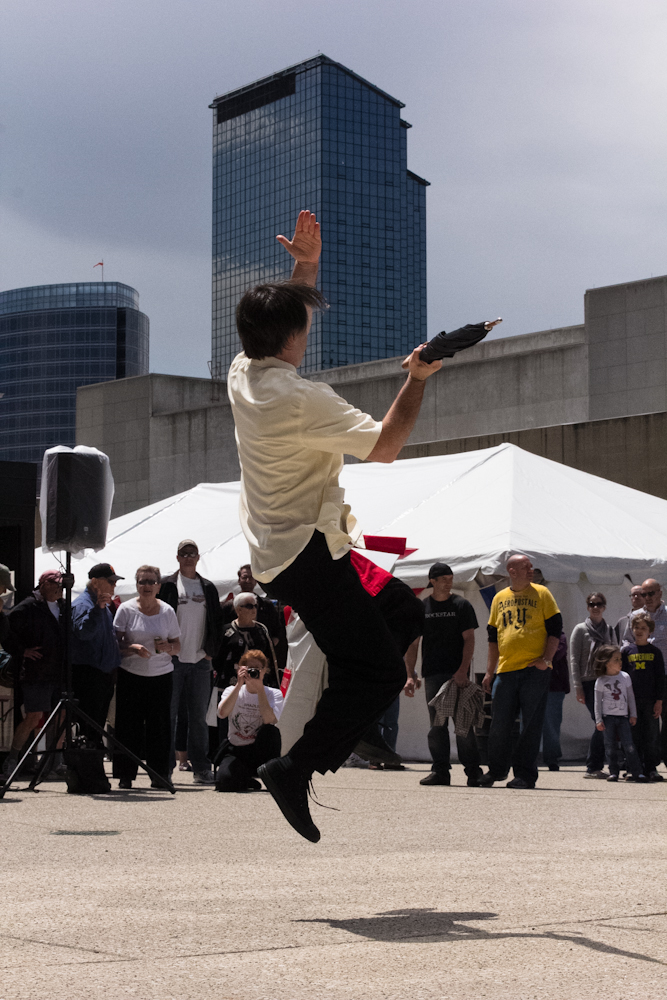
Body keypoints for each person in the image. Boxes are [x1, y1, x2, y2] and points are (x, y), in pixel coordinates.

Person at [228, 211, 500, 841]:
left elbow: (279, 323)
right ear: (294, 336)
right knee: (378, 671)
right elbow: (384, 446)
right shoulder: (302, 399)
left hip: (305, 545)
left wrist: (305, 267)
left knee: (402, 610)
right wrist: (416, 377)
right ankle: (295, 767)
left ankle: (336, 675)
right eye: (305, 321)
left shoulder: (244, 375)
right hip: (306, 557)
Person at [481, 555, 562, 789]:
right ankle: (496, 771)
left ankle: (525, 775)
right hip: (505, 670)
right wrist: (489, 672)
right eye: (525, 567)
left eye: (531, 567)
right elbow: (492, 639)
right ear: (511, 570)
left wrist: (546, 660)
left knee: (530, 725)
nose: (530, 570)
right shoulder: (499, 598)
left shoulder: (542, 593)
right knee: (499, 724)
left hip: (533, 671)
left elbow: (555, 629)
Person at [159, 539, 224, 786]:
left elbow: (217, 623)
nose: (188, 557)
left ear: (198, 558)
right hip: (172, 660)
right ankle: (164, 770)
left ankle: (202, 769)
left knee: (198, 717)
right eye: (183, 553)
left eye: (192, 553)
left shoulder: (207, 587)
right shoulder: (167, 585)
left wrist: (210, 652)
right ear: (177, 558)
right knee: (169, 715)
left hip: (200, 661)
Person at [411, 561, 481, 787]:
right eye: (443, 579)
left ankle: (473, 772)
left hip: (456, 674)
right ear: (432, 581)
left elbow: (469, 639)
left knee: (463, 724)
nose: (449, 582)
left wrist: (462, 670)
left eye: (450, 578)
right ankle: (440, 771)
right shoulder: (423, 607)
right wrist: (409, 673)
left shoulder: (461, 605)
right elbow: (413, 643)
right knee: (437, 725)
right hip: (432, 674)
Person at [112, 566, 181, 789]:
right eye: (142, 582)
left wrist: (168, 646)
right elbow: (115, 644)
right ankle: (125, 775)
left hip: (160, 676)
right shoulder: (125, 609)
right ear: (137, 585)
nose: (147, 586)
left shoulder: (167, 611)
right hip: (131, 675)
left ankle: (160, 775)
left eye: (151, 582)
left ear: (159, 586)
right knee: (128, 726)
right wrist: (132, 647)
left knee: (159, 727)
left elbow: (178, 646)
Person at [2, 571, 67, 778]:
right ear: (43, 584)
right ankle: (11, 760)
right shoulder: (28, 607)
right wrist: (22, 651)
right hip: (36, 672)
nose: (59, 589)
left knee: (60, 716)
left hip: (60, 672)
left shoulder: (64, 607)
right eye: (55, 584)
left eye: (61, 585)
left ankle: (54, 764)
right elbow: (6, 631)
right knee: (34, 717)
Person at [215, 649, 284, 791]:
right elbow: (222, 713)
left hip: (260, 749)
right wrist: (239, 685)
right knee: (224, 782)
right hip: (237, 749)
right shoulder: (231, 691)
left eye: (257, 669)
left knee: (271, 732)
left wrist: (260, 690)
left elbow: (269, 720)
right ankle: (245, 779)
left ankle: (273, 777)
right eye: (249, 668)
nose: (253, 672)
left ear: (265, 671)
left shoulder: (274, 694)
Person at [71, 563, 123, 744]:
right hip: (89, 675)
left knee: (97, 726)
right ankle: (86, 768)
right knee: (89, 727)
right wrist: (97, 609)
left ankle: (91, 766)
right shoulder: (83, 604)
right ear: (95, 582)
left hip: (103, 675)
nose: (113, 586)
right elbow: (83, 632)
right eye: (110, 581)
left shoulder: (102, 605)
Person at [569, 592, 616, 779]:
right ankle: (593, 766)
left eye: (599, 604)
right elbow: (573, 659)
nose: (595, 607)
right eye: (592, 604)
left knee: (606, 721)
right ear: (587, 607)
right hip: (589, 682)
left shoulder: (609, 630)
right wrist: (577, 686)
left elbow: (614, 656)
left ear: (604, 607)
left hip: (607, 681)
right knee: (601, 721)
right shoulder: (580, 629)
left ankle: (598, 764)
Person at [593, 644, 646, 782]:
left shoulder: (625, 677)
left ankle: (637, 772)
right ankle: (613, 772)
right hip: (608, 718)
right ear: (606, 662)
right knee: (610, 746)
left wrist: (633, 714)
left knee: (629, 745)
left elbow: (630, 697)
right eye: (616, 659)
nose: (620, 662)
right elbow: (597, 702)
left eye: (620, 659)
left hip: (623, 717)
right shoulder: (601, 681)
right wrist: (598, 720)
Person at [621, 613, 664, 781]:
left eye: (644, 628)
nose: (639, 631)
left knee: (651, 735)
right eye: (636, 628)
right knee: (633, 735)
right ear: (632, 630)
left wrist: (659, 701)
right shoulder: (626, 651)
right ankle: (633, 766)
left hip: (650, 702)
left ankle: (651, 768)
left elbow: (660, 678)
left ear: (650, 632)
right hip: (631, 702)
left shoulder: (655, 652)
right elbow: (621, 677)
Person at [215, 593, 279, 691]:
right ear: (238, 609)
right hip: (230, 684)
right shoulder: (226, 632)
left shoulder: (262, 630)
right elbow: (218, 659)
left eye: (255, 606)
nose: (254, 610)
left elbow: (269, 657)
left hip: (258, 683)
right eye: (249, 606)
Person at [221, 564, 284, 646]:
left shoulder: (266, 606)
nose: (248, 580)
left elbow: (277, 631)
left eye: (251, 577)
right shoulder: (228, 607)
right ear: (239, 580)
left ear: (256, 580)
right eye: (244, 577)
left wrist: (269, 646)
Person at [541, 632, 569, 771]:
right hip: (530, 684)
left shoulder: (560, 636)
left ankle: (552, 758)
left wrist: (537, 658)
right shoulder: (530, 632)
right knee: (526, 723)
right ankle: (527, 757)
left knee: (552, 725)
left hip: (554, 686)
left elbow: (557, 653)